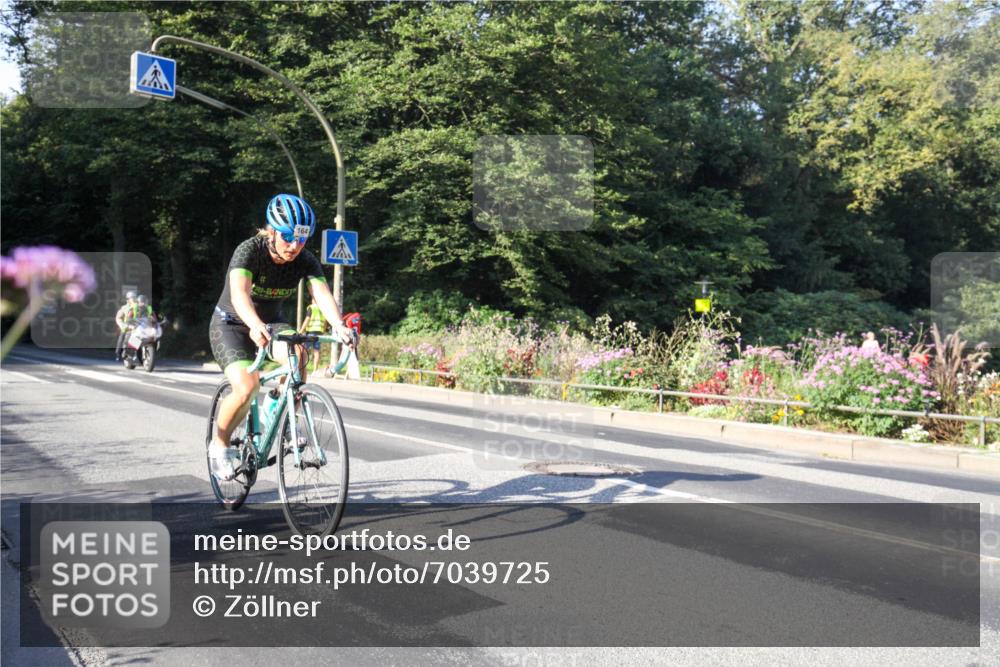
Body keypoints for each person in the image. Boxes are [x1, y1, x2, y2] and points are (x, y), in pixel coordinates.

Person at [207, 193, 352, 481]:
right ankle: (220, 445)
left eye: (302, 239)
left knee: (298, 356)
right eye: (288, 238)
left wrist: (339, 325)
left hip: (272, 323)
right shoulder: (249, 250)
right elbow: (239, 294)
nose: (295, 246)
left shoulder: (305, 260)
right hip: (232, 324)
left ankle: (281, 411)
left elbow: (322, 293)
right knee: (247, 387)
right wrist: (252, 322)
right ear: (271, 231)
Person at [299, 297, 328, 373]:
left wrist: (301, 330)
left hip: (311, 331)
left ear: (313, 300)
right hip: (319, 333)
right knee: (317, 351)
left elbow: (307, 319)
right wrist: (323, 331)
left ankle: (301, 367)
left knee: (303, 349)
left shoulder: (311, 307)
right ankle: (315, 370)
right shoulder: (323, 308)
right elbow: (325, 321)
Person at [114, 291, 137, 360]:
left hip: (137, 327)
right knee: (122, 337)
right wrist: (123, 325)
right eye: (132, 298)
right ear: (128, 299)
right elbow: (118, 318)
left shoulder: (139, 307)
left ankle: (135, 353)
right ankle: (118, 353)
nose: (133, 299)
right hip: (126, 328)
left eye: (134, 297)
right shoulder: (124, 308)